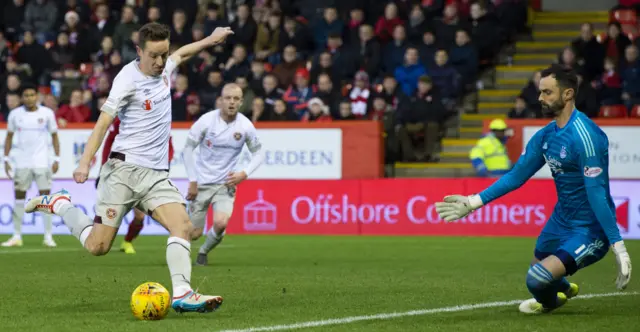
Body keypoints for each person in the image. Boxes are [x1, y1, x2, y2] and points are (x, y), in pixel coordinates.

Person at [24, 23, 235, 314]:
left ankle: (183, 294)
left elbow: (183, 54)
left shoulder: (164, 69)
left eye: (164, 54)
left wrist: (211, 40)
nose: (160, 62)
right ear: (139, 51)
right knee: (98, 246)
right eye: (154, 56)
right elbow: (103, 123)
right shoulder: (127, 79)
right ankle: (61, 205)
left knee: (183, 226)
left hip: (155, 176)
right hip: (123, 173)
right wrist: (85, 162)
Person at [434, 64, 632, 314]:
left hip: (589, 229)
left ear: (568, 94)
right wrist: (473, 203)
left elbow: (597, 193)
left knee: (536, 280)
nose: (540, 98)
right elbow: (517, 176)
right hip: (560, 220)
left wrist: (618, 245)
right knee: (536, 271)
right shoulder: (546, 135)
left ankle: (551, 302)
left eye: (547, 92)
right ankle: (564, 288)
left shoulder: (586, 136)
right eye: (540, 92)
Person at [183, 83, 264, 266]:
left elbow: (259, 153)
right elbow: (187, 150)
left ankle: (204, 252)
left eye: (236, 99)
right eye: (228, 98)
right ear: (220, 100)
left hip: (225, 185)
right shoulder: (206, 121)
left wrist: (244, 173)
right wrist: (193, 180)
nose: (231, 102)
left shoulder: (245, 126)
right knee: (193, 233)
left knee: (220, 223)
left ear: (241, 102)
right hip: (202, 183)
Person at [95, 117, 175, 254]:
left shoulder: (159, 119)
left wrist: (163, 165)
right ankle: (93, 236)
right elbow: (109, 143)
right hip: (121, 172)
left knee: (140, 216)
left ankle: (127, 241)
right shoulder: (122, 120)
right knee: (112, 213)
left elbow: (169, 147)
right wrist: (103, 168)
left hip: (146, 174)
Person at [2, 83, 60, 248]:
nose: (29, 98)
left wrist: (57, 159)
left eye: (32, 95)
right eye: (26, 95)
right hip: (22, 163)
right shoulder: (15, 114)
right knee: (19, 198)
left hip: (42, 163)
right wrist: (6, 160)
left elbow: (55, 136)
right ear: (22, 98)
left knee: (45, 199)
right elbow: (9, 137)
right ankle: (16, 235)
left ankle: (48, 236)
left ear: (37, 96)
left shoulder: (47, 113)